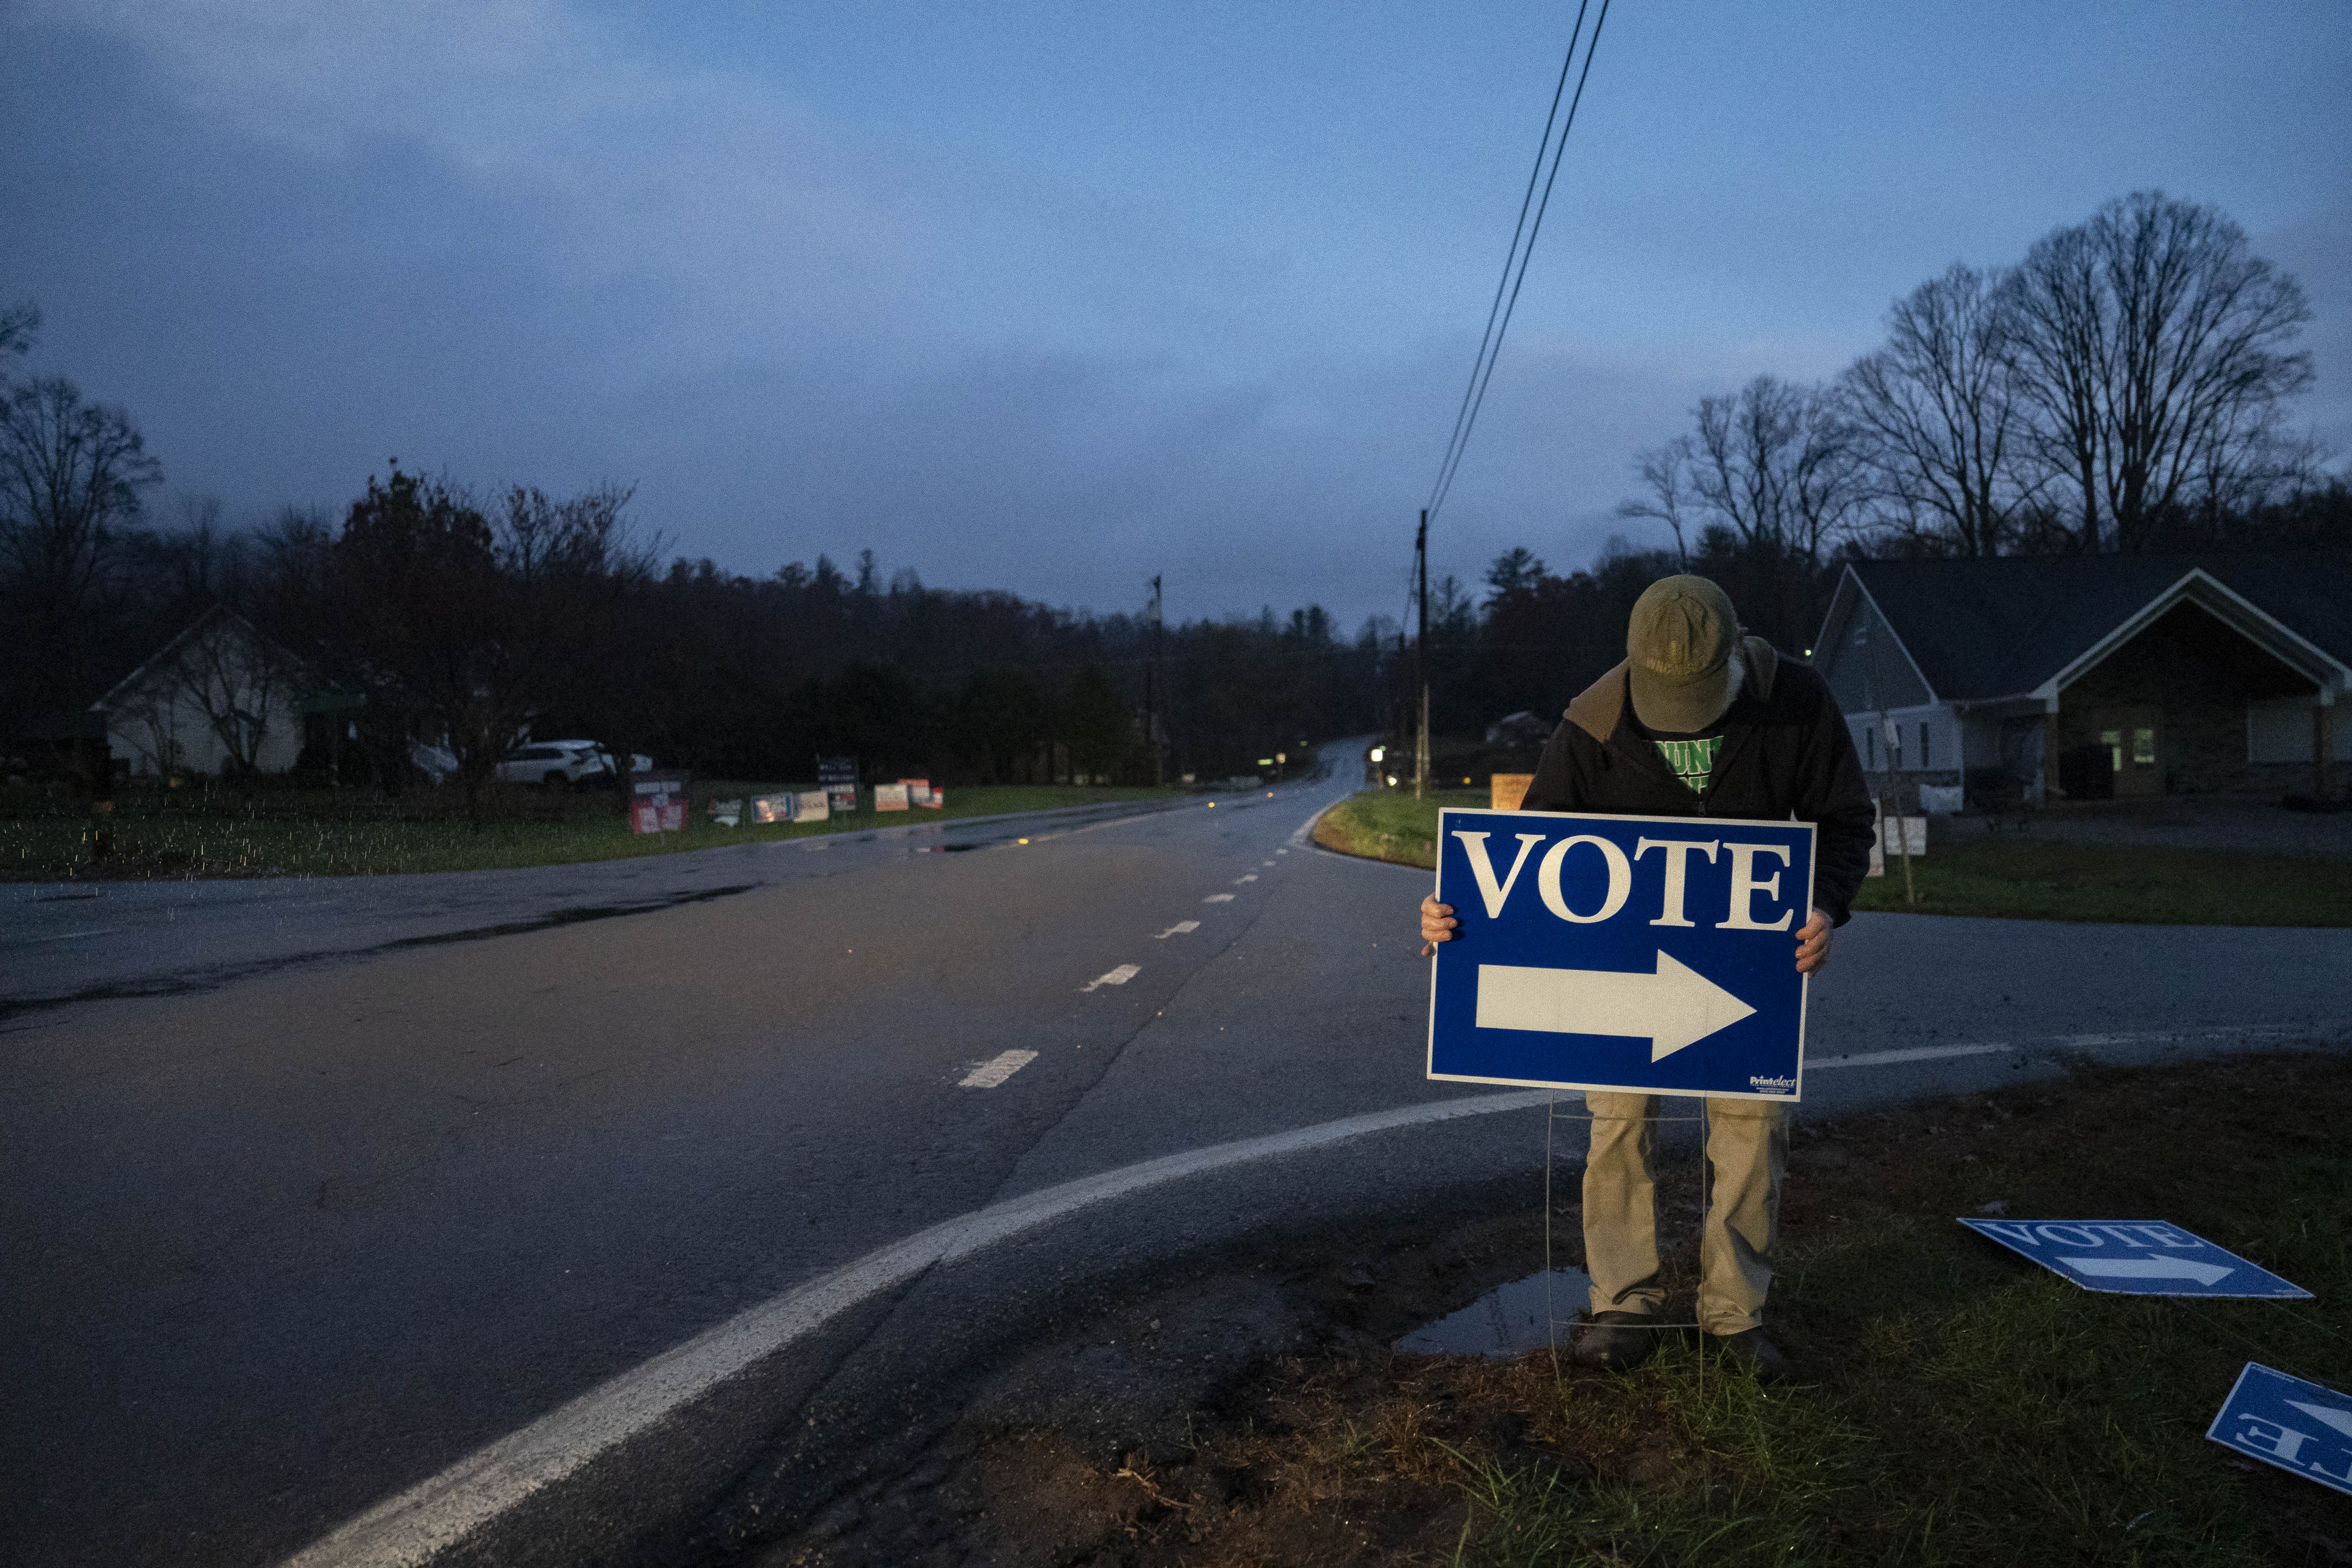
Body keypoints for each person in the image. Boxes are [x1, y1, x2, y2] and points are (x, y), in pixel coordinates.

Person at [1418, 575, 1873, 1378]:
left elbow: (1844, 822)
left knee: (1752, 1128)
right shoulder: (1591, 723)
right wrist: (1461, 925)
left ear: (1739, 652)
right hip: (1619, 974)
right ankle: (1622, 1303)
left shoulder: (1799, 700)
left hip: (1750, 965)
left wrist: (1824, 905)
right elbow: (1527, 865)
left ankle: (1734, 1316)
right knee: (1618, 1124)